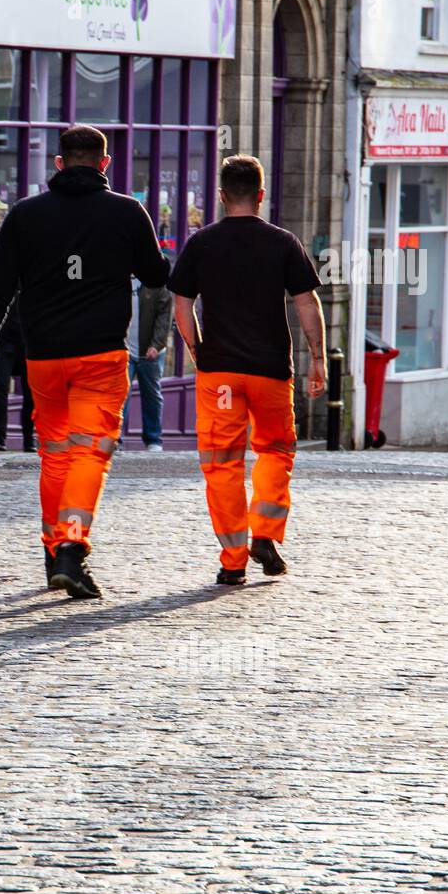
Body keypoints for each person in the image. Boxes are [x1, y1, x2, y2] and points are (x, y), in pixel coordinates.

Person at [0, 125, 169, 599]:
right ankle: (72, 548)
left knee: (54, 453)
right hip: (101, 354)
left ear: (58, 163)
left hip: (45, 358)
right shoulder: (127, 212)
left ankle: (55, 550)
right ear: (105, 164)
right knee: (90, 451)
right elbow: (157, 274)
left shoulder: (25, 215)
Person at [168, 154, 327, 586]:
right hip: (270, 370)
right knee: (276, 451)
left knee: (222, 464)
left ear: (221, 197)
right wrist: (318, 358)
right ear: (260, 195)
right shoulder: (282, 242)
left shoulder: (201, 244)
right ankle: (266, 533)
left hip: (219, 370)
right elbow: (306, 303)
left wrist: (197, 348)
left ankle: (233, 559)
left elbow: (181, 303)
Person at [120, 280, 173, 451]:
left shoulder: (155, 281)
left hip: (150, 351)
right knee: (120, 395)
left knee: (151, 395)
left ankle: (153, 439)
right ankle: (115, 438)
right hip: (124, 351)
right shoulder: (118, 280)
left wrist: (156, 345)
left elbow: (165, 317)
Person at [0, 297, 35, 453]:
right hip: (6, 343)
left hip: (30, 344)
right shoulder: (10, 282)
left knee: (29, 392)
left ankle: (28, 438)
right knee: (1, 386)